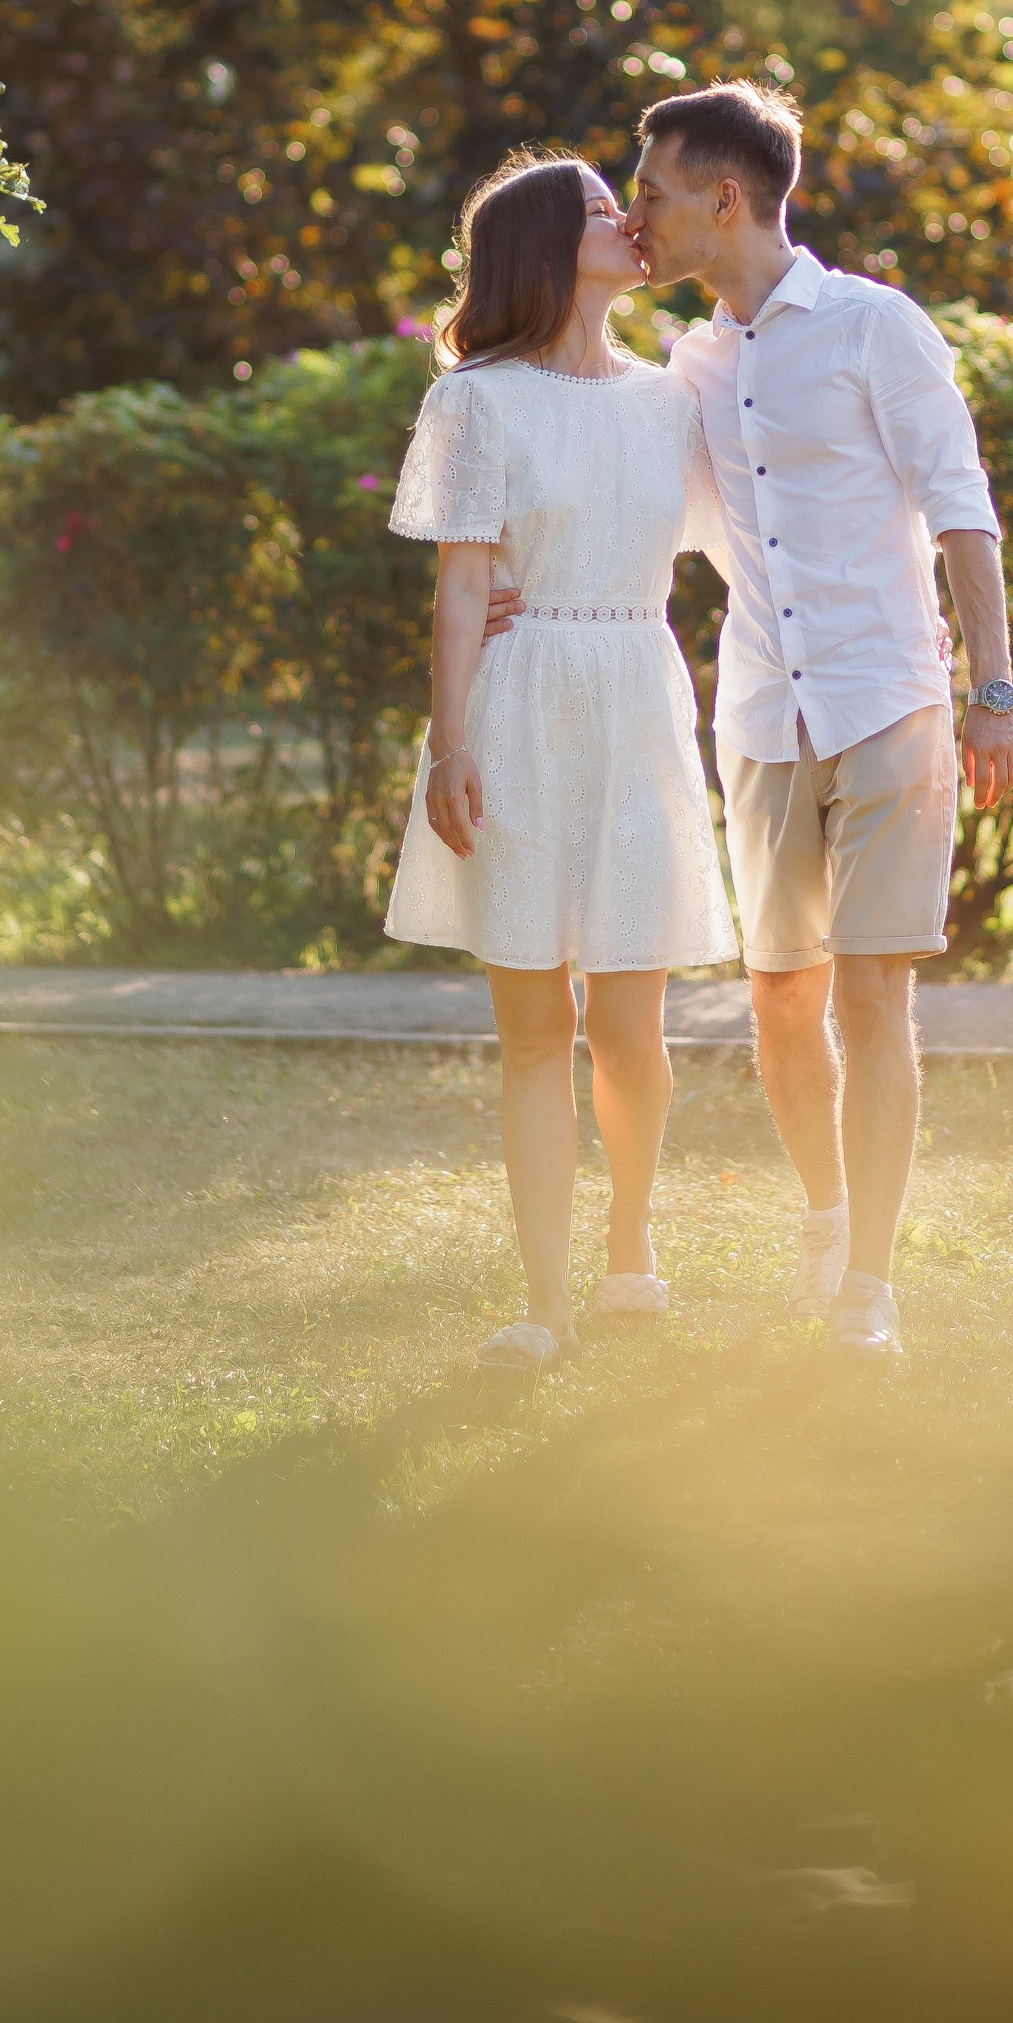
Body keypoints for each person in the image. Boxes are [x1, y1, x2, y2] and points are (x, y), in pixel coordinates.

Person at [630, 80, 1013, 1356]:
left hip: (885, 702)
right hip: (758, 716)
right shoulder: (689, 363)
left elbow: (959, 504)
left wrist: (992, 690)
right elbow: (652, 524)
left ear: (723, 197)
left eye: (651, 191)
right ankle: (822, 1220)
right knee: (779, 1001)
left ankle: (868, 1284)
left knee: (873, 997)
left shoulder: (873, 327)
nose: (637, 213)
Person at [384, 150, 736, 1374]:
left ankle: (629, 1253)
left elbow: (744, 529)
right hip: (521, 702)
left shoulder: (670, 398)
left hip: (639, 696)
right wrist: (450, 741)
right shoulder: (474, 399)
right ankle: (544, 1303)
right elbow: (462, 581)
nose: (631, 220)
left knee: (630, 1023)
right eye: (602, 210)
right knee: (536, 1027)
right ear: (543, 245)